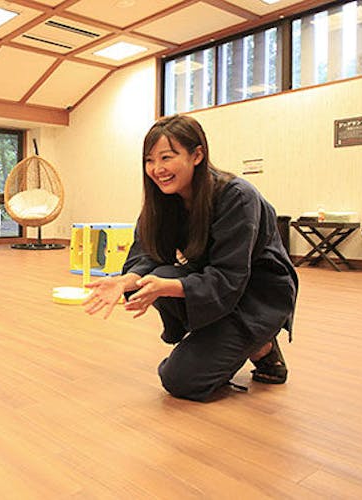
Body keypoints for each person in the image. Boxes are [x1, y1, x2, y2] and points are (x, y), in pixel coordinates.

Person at [83, 114, 297, 402]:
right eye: (149, 160)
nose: (157, 169)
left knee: (179, 380)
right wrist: (124, 281)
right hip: (214, 286)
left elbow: (230, 277)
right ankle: (217, 341)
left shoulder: (237, 196)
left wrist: (166, 287)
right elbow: (148, 253)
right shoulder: (164, 199)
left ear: (197, 155)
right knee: (155, 277)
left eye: (166, 157)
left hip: (256, 296)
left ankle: (262, 346)